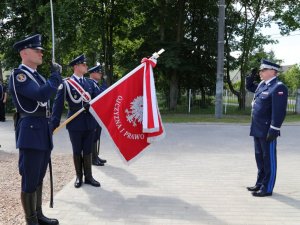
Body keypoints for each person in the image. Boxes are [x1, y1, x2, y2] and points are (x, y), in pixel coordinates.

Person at [9, 34, 62, 225]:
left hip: (42, 130)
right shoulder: (19, 76)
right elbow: (40, 94)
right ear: (24, 52)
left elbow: (48, 95)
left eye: (41, 50)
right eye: (36, 50)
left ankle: (38, 215)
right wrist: (55, 77)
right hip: (30, 132)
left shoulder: (37, 76)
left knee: (39, 175)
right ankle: (30, 220)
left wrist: (52, 80)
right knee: (30, 178)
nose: (41, 53)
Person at [51, 54, 101, 188]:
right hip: (75, 124)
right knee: (77, 150)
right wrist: (53, 124)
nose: (86, 67)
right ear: (76, 66)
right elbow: (58, 105)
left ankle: (89, 177)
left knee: (88, 150)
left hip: (89, 123)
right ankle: (79, 176)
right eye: (84, 64)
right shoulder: (66, 84)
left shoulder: (90, 83)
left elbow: (99, 100)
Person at [246, 59, 288, 197]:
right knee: (260, 157)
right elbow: (250, 87)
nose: (260, 73)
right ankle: (260, 183)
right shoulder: (263, 85)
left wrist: (274, 129)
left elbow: (279, 111)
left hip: (267, 130)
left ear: (272, 72)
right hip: (257, 128)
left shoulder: (278, 87)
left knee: (268, 158)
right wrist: (250, 77)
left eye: (263, 70)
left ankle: (267, 188)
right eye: (260, 71)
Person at [88, 65, 107, 166]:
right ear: (93, 73)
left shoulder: (95, 84)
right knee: (93, 136)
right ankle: (92, 158)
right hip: (92, 115)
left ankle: (95, 156)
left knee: (96, 136)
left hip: (97, 115)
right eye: (98, 72)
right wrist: (104, 83)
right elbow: (101, 94)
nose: (100, 74)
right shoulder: (90, 83)